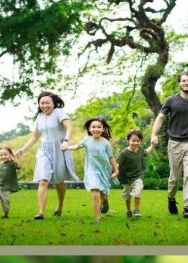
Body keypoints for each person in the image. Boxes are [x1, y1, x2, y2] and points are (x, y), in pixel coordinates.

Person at [150, 70, 188, 219]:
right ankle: (171, 197)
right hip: (175, 143)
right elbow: (160, 118)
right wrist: (153, 134)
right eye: (183, 81)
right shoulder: (171, 100)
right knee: (174, 177)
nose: (186, 83)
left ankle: (187, 207)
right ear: (179, 83)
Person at [15, 90, 77, 220]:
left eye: (47, 103)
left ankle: (60, 205)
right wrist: (23, 149)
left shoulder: (59, 112)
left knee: (59, 182)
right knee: (43, 180)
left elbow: (70, 127)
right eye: (42, 103)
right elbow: (35, 136)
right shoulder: (40, 117)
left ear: (53, 103)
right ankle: (41, 212)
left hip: (60, 148)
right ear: (39, 104)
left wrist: (66, 141)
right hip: (44, 149)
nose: (45, 105)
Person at [63, 116, 119, 222]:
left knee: (103, 193)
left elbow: (111, 157)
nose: (96, 129)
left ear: (103, 129)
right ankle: (98, 217)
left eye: (99, 127)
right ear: (89, 129)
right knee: (95, 189)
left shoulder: (106, 143)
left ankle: (105, 201)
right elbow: (77, 146)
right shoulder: (86, 140)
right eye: (93, 127)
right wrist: (67, 147)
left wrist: (116, 170)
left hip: (104, 170)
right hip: (91, 170)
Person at [116, 128, 148, 218]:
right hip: (126, 178)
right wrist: (115, 172)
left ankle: (137, 210)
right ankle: (128, 210)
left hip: (138, 175)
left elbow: (146, 152)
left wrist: (152, 146)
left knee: (138, 191)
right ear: (128, 140)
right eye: (133, 141)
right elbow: (117, 164)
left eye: (138, 141)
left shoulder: (140, 149)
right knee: (127, 196)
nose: (136, 143)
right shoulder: (124, 153)